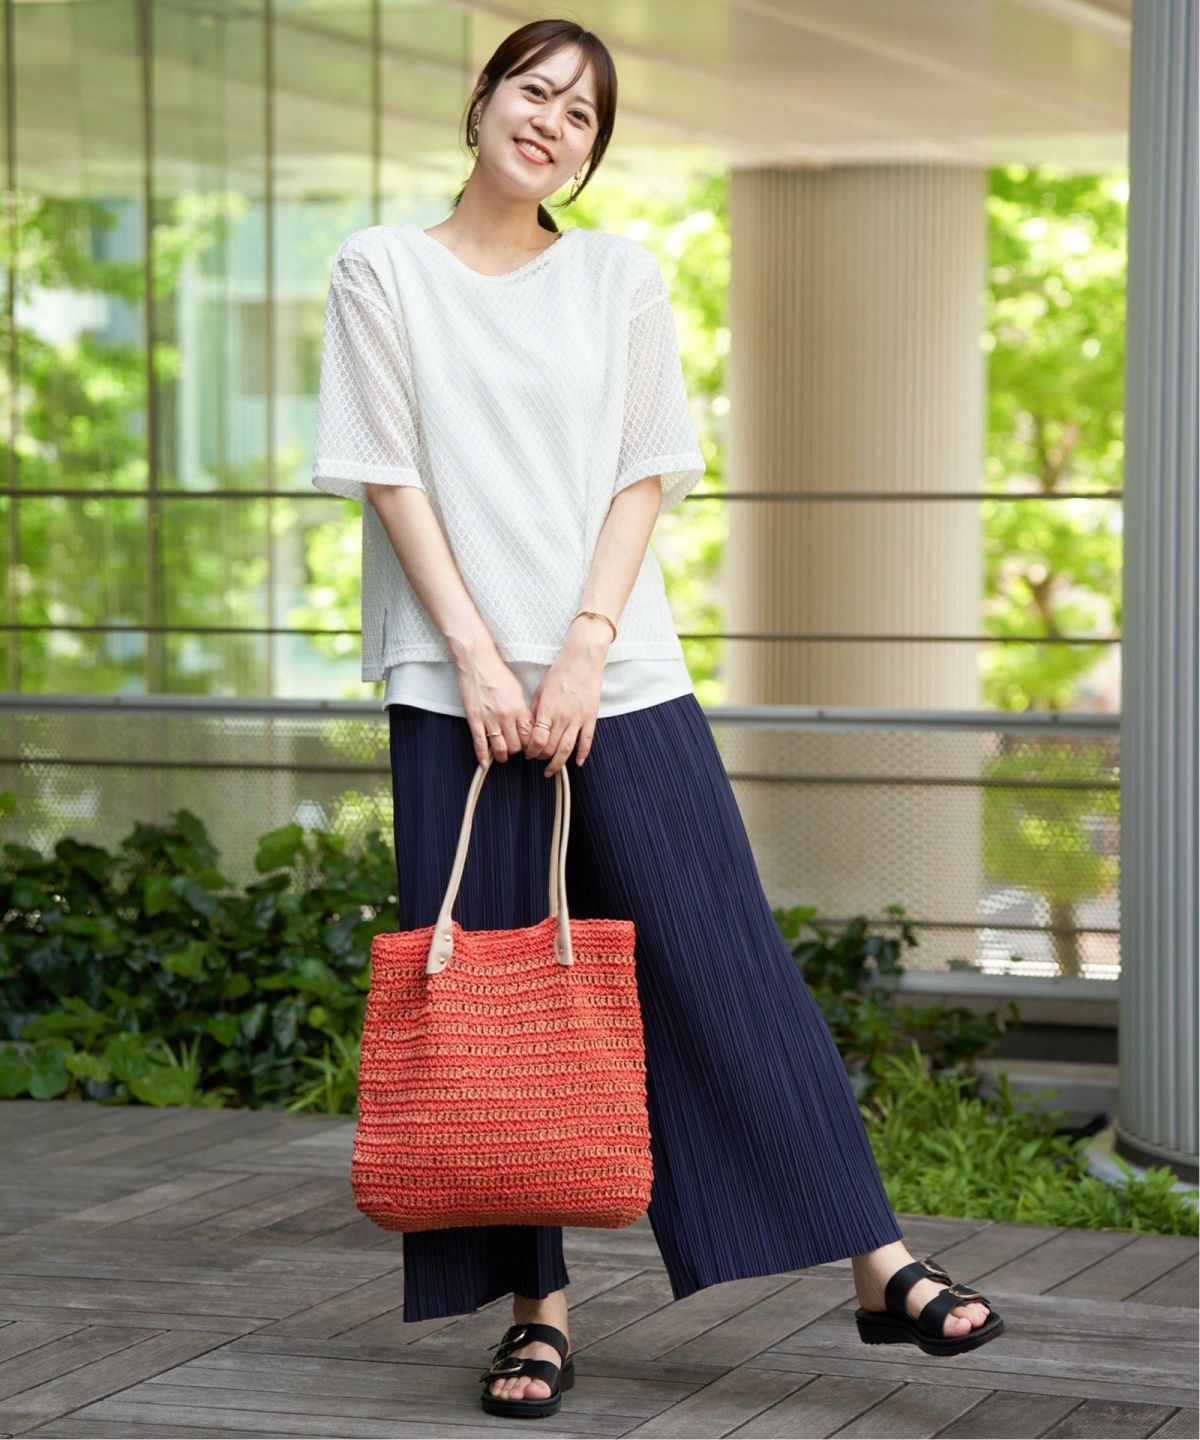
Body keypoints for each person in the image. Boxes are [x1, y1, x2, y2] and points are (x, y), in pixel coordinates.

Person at [311, 16, 1003, 1422]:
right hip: (454, 687)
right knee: (494, 997)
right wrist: (477, 657)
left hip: (616, 674)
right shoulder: (380, 268)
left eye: (582, 115)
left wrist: (582, 647)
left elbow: (646, 471)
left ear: (589, 152)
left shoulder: (616, 277)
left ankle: (877, 1263)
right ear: (482, 100)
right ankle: (537, 1318)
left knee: (722, 961)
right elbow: (389, 472)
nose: (552, 122)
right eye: (535, 91)